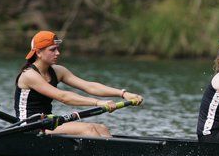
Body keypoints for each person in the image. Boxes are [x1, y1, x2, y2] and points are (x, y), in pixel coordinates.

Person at [15, 31, 143, 137]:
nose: (58, 53)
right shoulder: (29, 75)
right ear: (38, 53)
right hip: (29, 127)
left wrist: (123, 94)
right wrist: (98, 103)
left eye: (57, 49)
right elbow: (63, 97)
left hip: (48, 123)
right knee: (89, 130)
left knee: (102, 129)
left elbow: (89, 86)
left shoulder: (58, 71)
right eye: (52, 50)